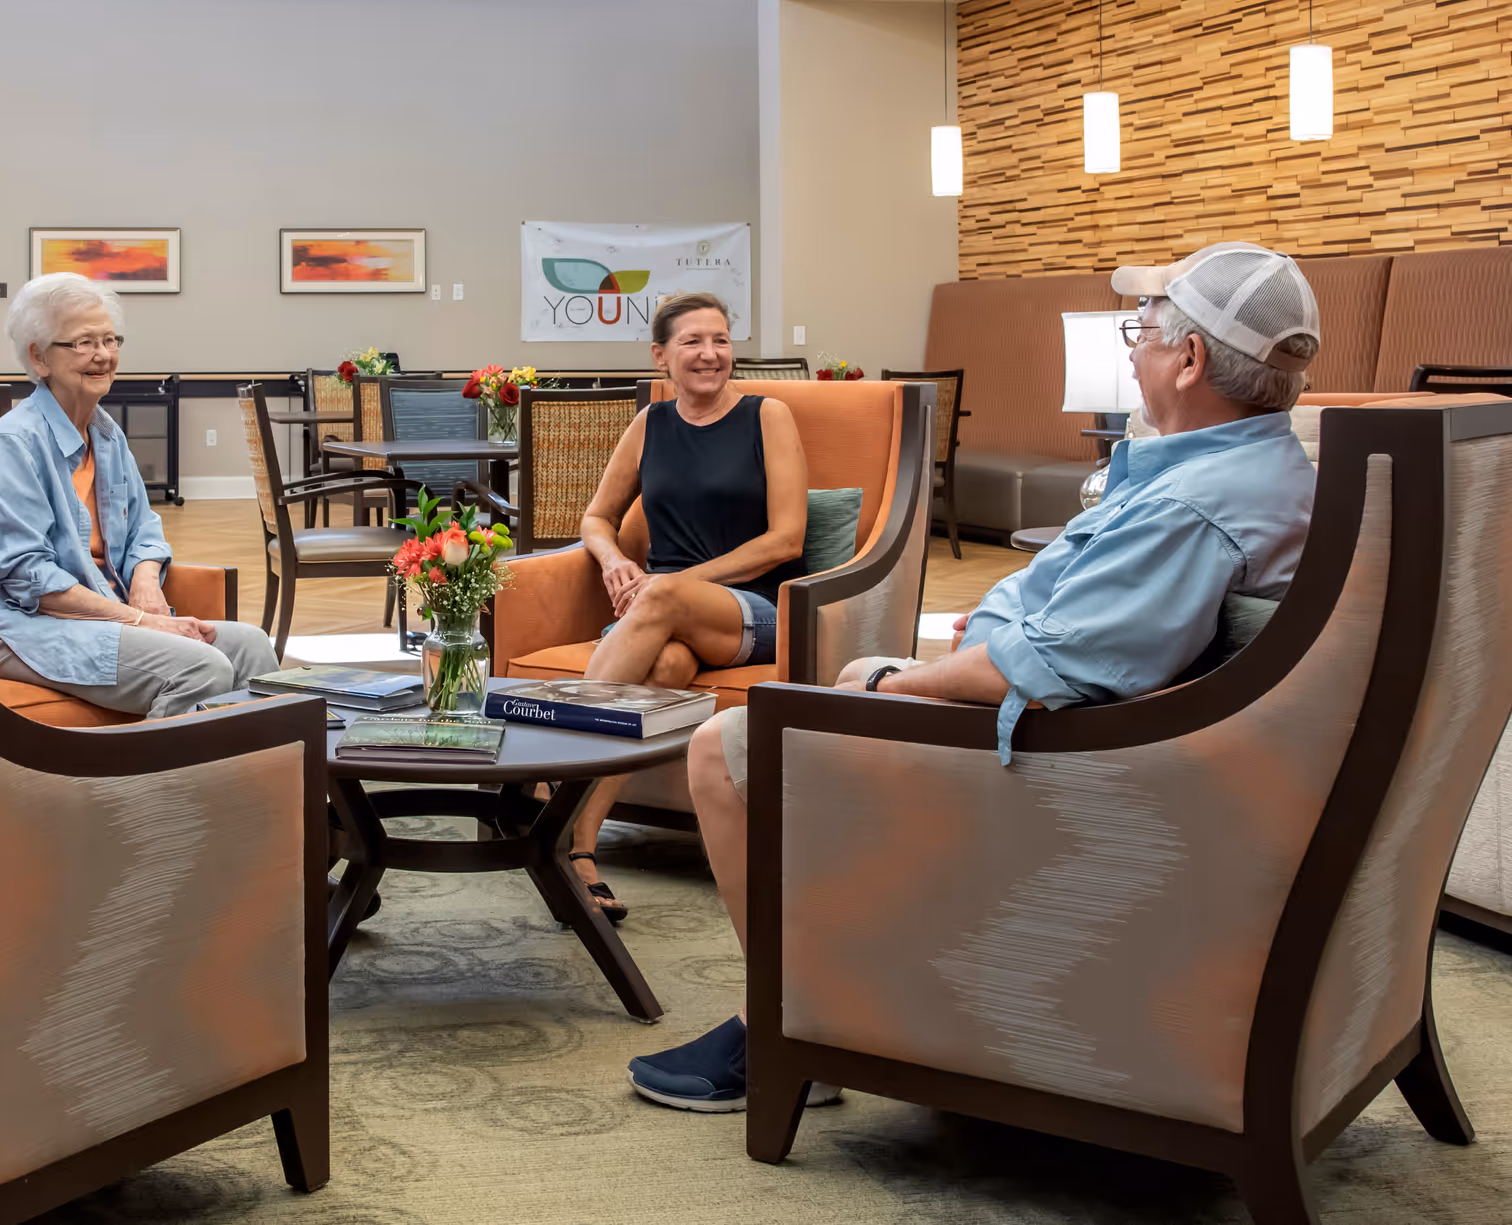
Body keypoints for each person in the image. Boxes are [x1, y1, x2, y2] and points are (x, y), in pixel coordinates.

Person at [628, 240, 1322, 1112]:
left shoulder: (1194, 503)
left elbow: (1044, 670)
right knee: (846, 675)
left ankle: (784, 1024)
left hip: (1069, 774)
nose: (1136, 351)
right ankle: (823, 1005)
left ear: (1189, 360)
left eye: (1140, 334)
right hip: (1118, 741)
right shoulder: (1257, 466)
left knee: (726, 747)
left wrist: (900, 688)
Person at [564, 292, 809, 922]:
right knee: (665, 668)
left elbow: (786, 539)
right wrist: (615, 560)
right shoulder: (650, 424)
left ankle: (549, 776)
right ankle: (576, 848)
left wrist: (670, 585)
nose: (710, 354)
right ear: (661, 356)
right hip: (663, 614)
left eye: (721, 340)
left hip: (756, 611)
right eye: (693, 342)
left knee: (665, 600)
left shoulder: (767, 415)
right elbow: (596, 517)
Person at [0, 273, 278, 718]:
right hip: (21, 626)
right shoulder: (15, 443)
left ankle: (256, 781)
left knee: (252, 646)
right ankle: (160, 786)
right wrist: (147, 622)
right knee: (200, 669)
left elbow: (145, 529)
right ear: (38, 357)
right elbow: (28, 577)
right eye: (83, 343)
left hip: (101, 611)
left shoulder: (106, 433)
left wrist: (145, 587)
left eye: (110, 339)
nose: (103, 355)